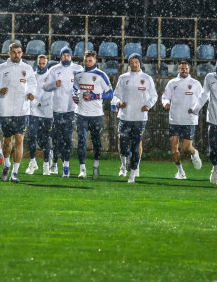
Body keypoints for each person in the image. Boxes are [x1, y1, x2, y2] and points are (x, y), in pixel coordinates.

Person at [0, 42, 36, 183]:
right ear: (9, 53)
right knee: (8, 141)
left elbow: (33, 84)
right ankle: (7, 164)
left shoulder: (27, 68)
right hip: (6, 109)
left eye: (19, 52)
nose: (16, 55)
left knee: (20, 139)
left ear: (22, 53)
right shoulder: (1, 68)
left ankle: (15, 172)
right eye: (14, 52)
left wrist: (31, 93)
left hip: (22, 109)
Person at [111, 53, 157, 183]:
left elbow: (154, 96)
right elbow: (116, 95)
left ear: (140, 63)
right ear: (129, 64)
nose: (134, 64)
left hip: (140, 118)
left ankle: (132, 174)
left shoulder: (147, 78)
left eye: (136, 62)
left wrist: (148, 105)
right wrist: (119, 103)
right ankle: (125, 162)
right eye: (131, 62)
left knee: (136, 146)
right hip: (125, 117)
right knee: (123, 146)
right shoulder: (123, 78)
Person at [72, 50, 114, 179]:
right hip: (80, 113)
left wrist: (95, 96)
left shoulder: (101, 75)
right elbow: (74, 88)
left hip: (96, 114)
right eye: (86, 60)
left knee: (96, 142)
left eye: (90, 60)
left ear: (95, 61)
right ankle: (82, 170)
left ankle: (96, 165)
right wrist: (74, 96)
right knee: (81, 141)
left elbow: (110, 93)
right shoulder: (78, 74)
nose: (87, 62)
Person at [43, 46, 83, 175]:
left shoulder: (78, 69)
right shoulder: (54, 69)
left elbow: (83, 85)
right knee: (56, 139)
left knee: (68, 138)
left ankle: (66, 165)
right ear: (60, 56)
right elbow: (45, 86)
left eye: (68, 55)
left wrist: (79, 93)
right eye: (64, 55)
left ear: (71, 56)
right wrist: (54, 84)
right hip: (57, 109)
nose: (66, 57)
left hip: (71, 109)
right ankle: (54, 162)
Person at [160, 61, 203, 180]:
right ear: (178, 70)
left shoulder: (195, 84)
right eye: (182, 68)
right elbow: (165, 97)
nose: (184, 70)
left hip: (189, 120)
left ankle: (194, 153)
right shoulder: (172, 83)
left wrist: (195, 109)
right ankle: (180, 172)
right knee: (174, 150)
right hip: (174, 119)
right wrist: (166, 103)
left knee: (186, 148)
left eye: (186, 68)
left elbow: (202, 99)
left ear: (189, 70)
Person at [26, 54, 54, 175]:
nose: (41, 65)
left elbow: (53, 95)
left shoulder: (51, 77)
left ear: (46, 64)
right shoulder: (32, 76)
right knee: (32, 137)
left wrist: (42, 103)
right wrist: (29, 96)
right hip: (33, 112)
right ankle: (32, 162)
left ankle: (46, 164)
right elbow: (27, 90)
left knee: (44, 140)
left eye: (43, 63)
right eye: (39, 63)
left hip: (47, 112)